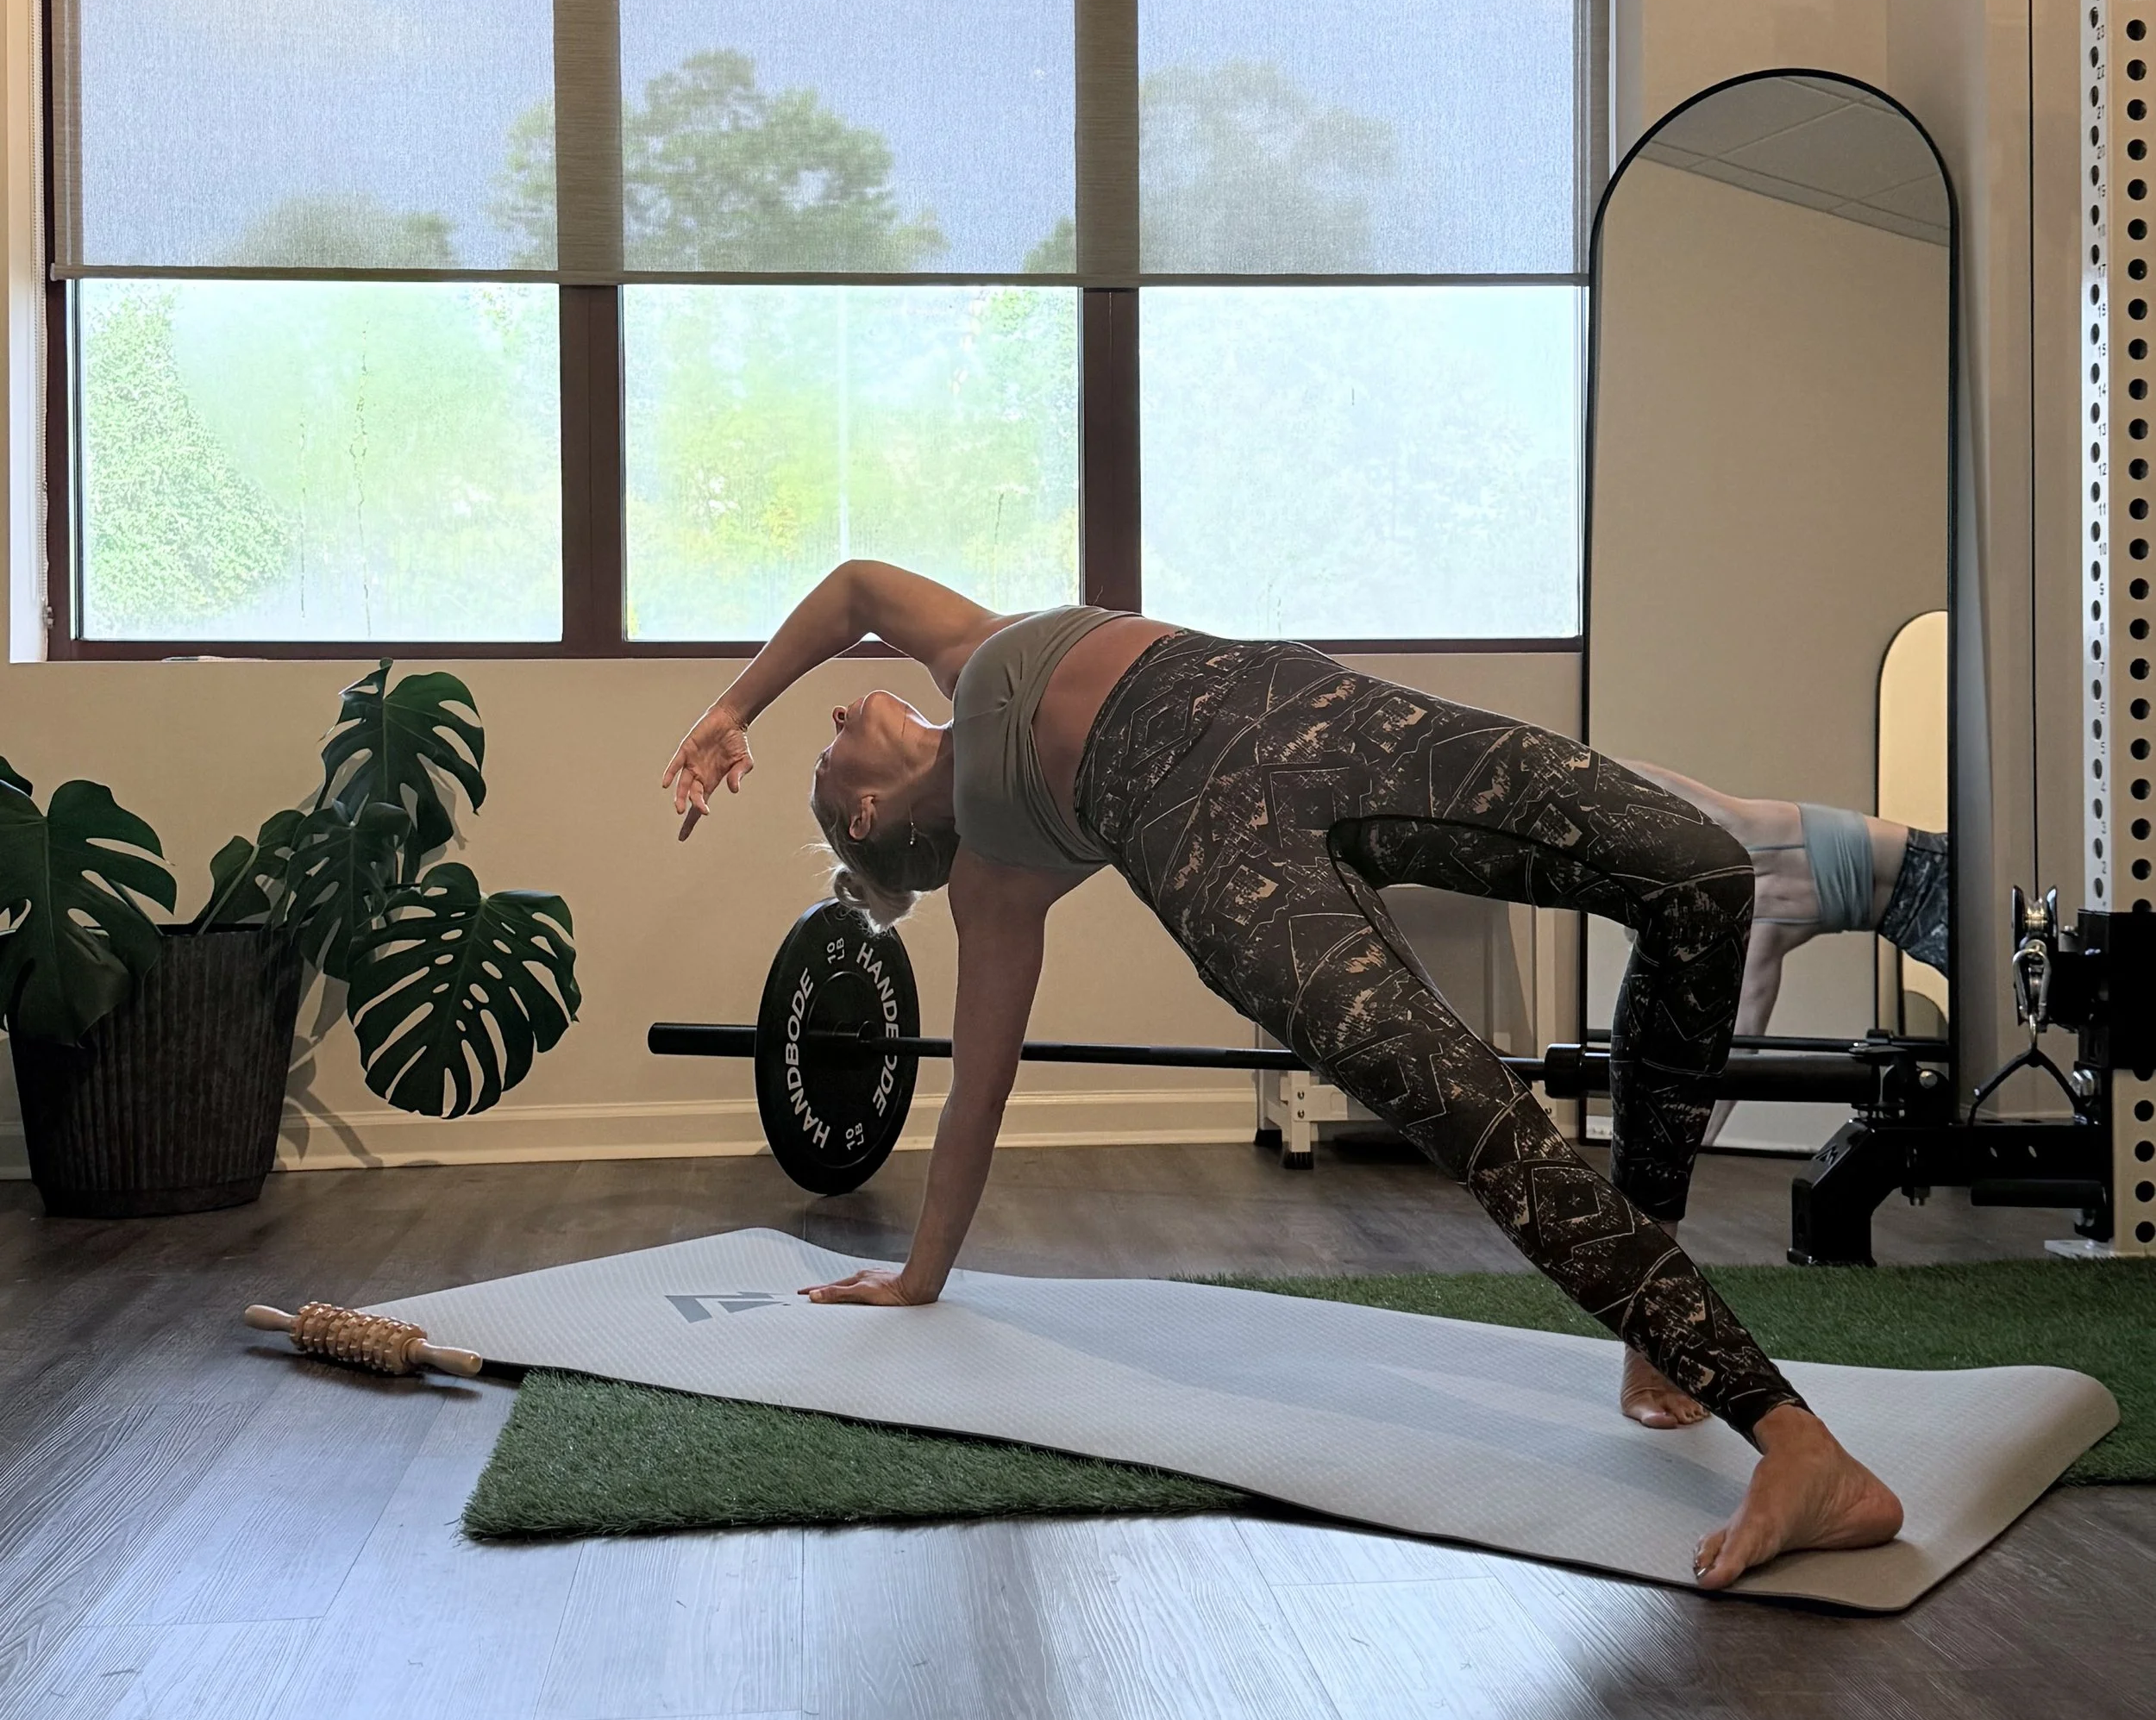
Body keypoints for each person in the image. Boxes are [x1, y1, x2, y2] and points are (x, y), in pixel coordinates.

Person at [662, 567, 1902, 1592]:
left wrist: (735, 709)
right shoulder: (995, 877)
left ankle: (1658, 1327)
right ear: (872, 818)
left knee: (1701, 874)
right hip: (1218, 859)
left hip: (1302, 703)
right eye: (833, 762)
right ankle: (1793, 1443)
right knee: (1470, 1101)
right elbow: (975, 1095)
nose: (831, 726)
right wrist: (921, 1276)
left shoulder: (967, 650)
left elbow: (854, 591)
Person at [1622, 760, 1948, 1137]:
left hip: (1934, 867)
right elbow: (1739, 1047)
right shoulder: (1758, 928)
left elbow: (1632, 779)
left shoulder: (1734, 830)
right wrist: (1698, 1141)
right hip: (1915, 927)